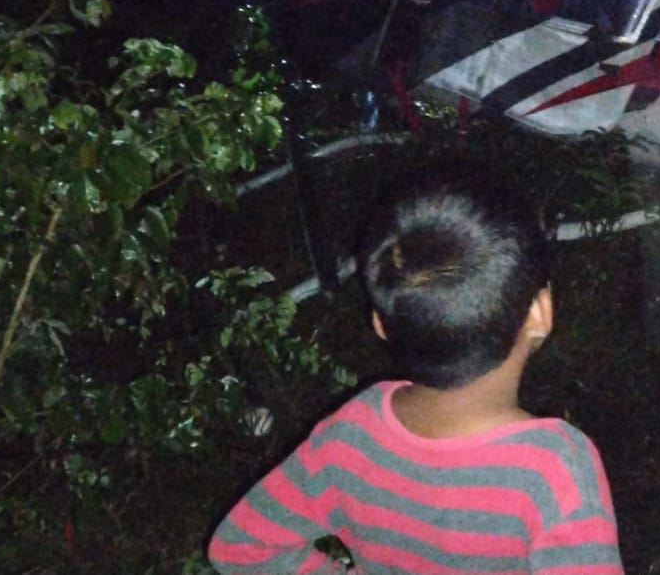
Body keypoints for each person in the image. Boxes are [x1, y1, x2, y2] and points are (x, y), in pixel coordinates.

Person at [207, 164, 623, 574]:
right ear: (539, 314)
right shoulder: (556, 472)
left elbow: (240, 548)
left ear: (381, 326)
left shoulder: (349, 435)